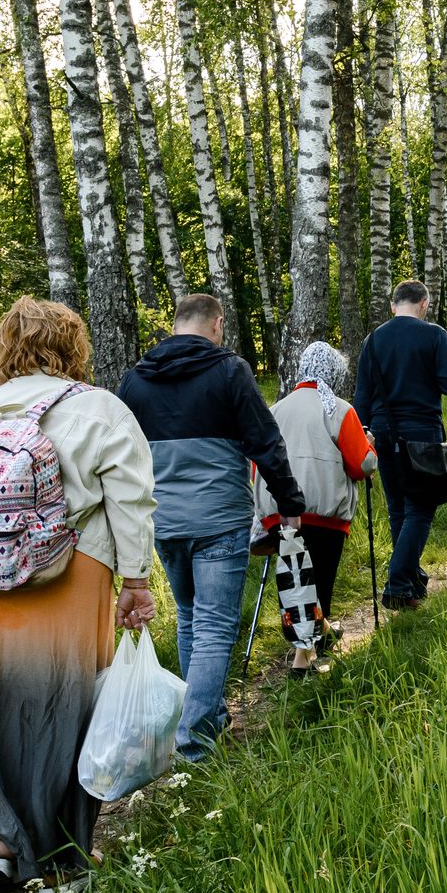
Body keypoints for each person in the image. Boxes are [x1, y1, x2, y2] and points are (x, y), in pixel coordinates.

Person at [0, 297, 157, 893]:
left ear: (4, 348)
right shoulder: (98, 409)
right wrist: (135, 582)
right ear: (72, 347)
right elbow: (131, 502)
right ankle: (58, 860)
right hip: (69, 569)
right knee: (65, 703)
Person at [118, 293, 304, 762]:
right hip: (220, 517)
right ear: (217, 324)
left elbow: (120, 457)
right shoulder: (229, 371)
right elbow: (266, 441)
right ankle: (195, 738)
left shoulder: (136, 380)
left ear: (177, 324)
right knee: (216, 625)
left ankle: (206, 713)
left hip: (162, 519)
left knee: (190, 616)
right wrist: (290, 502)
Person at [253, 341, 377, 670]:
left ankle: (317, 633)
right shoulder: (339, 409)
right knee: (319, 581)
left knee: (295, 578)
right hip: (324, 513)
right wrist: (371, 448)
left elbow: (257, 465)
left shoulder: (275, 410)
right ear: (333, 372)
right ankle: (303, 661)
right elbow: (361, 465)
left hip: (279, 510)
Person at [354, 280, 447, 610]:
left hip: (381, 431)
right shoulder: (434, 335)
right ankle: (398, 584)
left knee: (400, 508)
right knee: (421, 508)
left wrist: (362, 434)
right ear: (424, 304)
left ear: (393, 306)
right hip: (421, 429)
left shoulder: (372, 340)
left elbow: (361, 394)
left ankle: (411, 585)